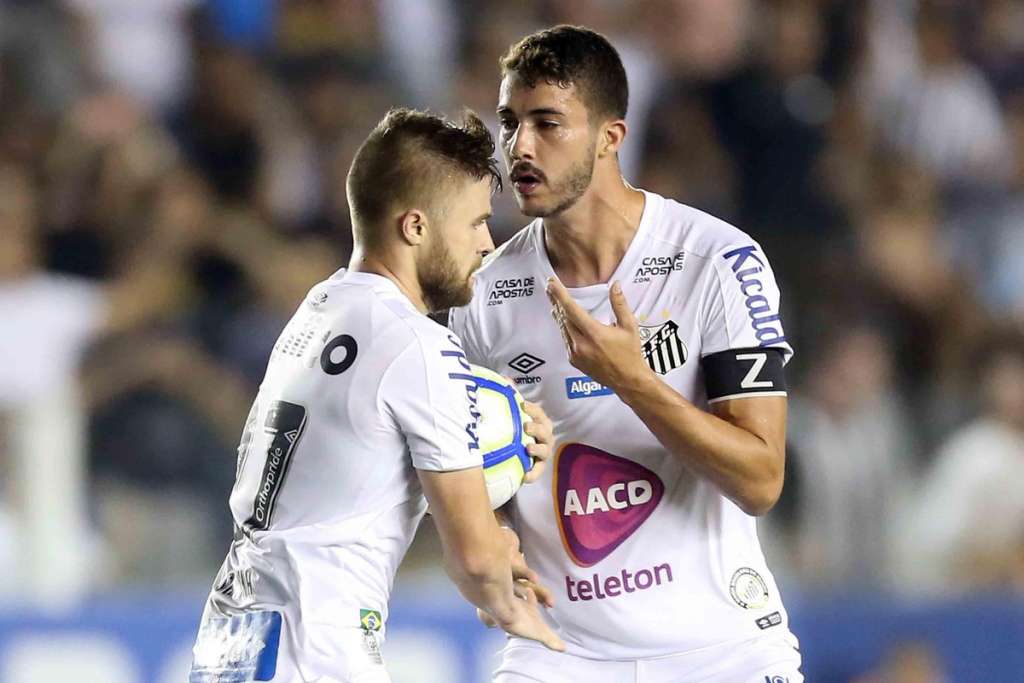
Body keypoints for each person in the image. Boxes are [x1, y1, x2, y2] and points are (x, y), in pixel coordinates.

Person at [449, 26, 803, 682]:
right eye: (509, 122)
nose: (519, 147)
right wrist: (490, 534)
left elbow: (761, 479)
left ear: (612, 137)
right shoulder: (483, 298)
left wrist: (631, 380)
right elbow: (476, 467)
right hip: (559, 655)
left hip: (720, 648)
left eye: (547, 123)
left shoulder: (717, 263)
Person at [189, 108, 564, 683]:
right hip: (317, 651)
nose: (488, 244)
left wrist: (503, 423)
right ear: (415, 227)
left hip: (235, 641)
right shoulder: (418, 346)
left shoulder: (320, 309)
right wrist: (515, 596)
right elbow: (475, 559)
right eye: (474, 223)